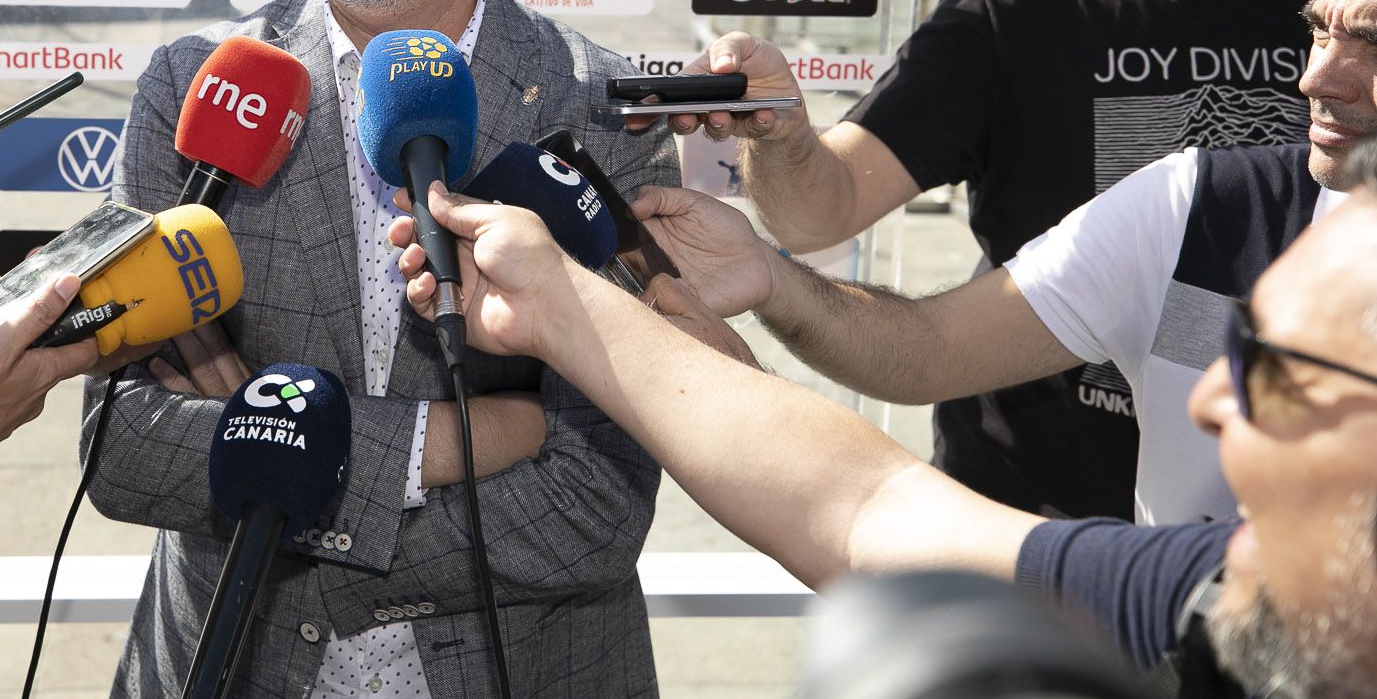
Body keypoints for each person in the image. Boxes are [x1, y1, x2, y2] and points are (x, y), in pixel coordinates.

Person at [86, 0, 679, 698]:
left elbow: (595, 500)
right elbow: (124, 450)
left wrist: (275, 455)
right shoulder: (193, 91)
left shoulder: (598, 117)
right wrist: (474, 439)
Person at [663, 0, 1337, 519]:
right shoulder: (1016, 7)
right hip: (1028, 532)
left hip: (1294, 528)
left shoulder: (1351, 1)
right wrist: (781, 137)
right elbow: (818, 214)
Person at [395, 155, 1377, 699]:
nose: (1212, 397)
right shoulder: (1224, 590)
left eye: (1277, 367)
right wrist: (560, 304)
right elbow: (864, 504)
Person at [632, 0, 1377, 524]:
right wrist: (770, 273)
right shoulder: (1196, 206)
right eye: (1318, 32)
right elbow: (926, 350)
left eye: (1373, 43)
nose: (1319, 78)